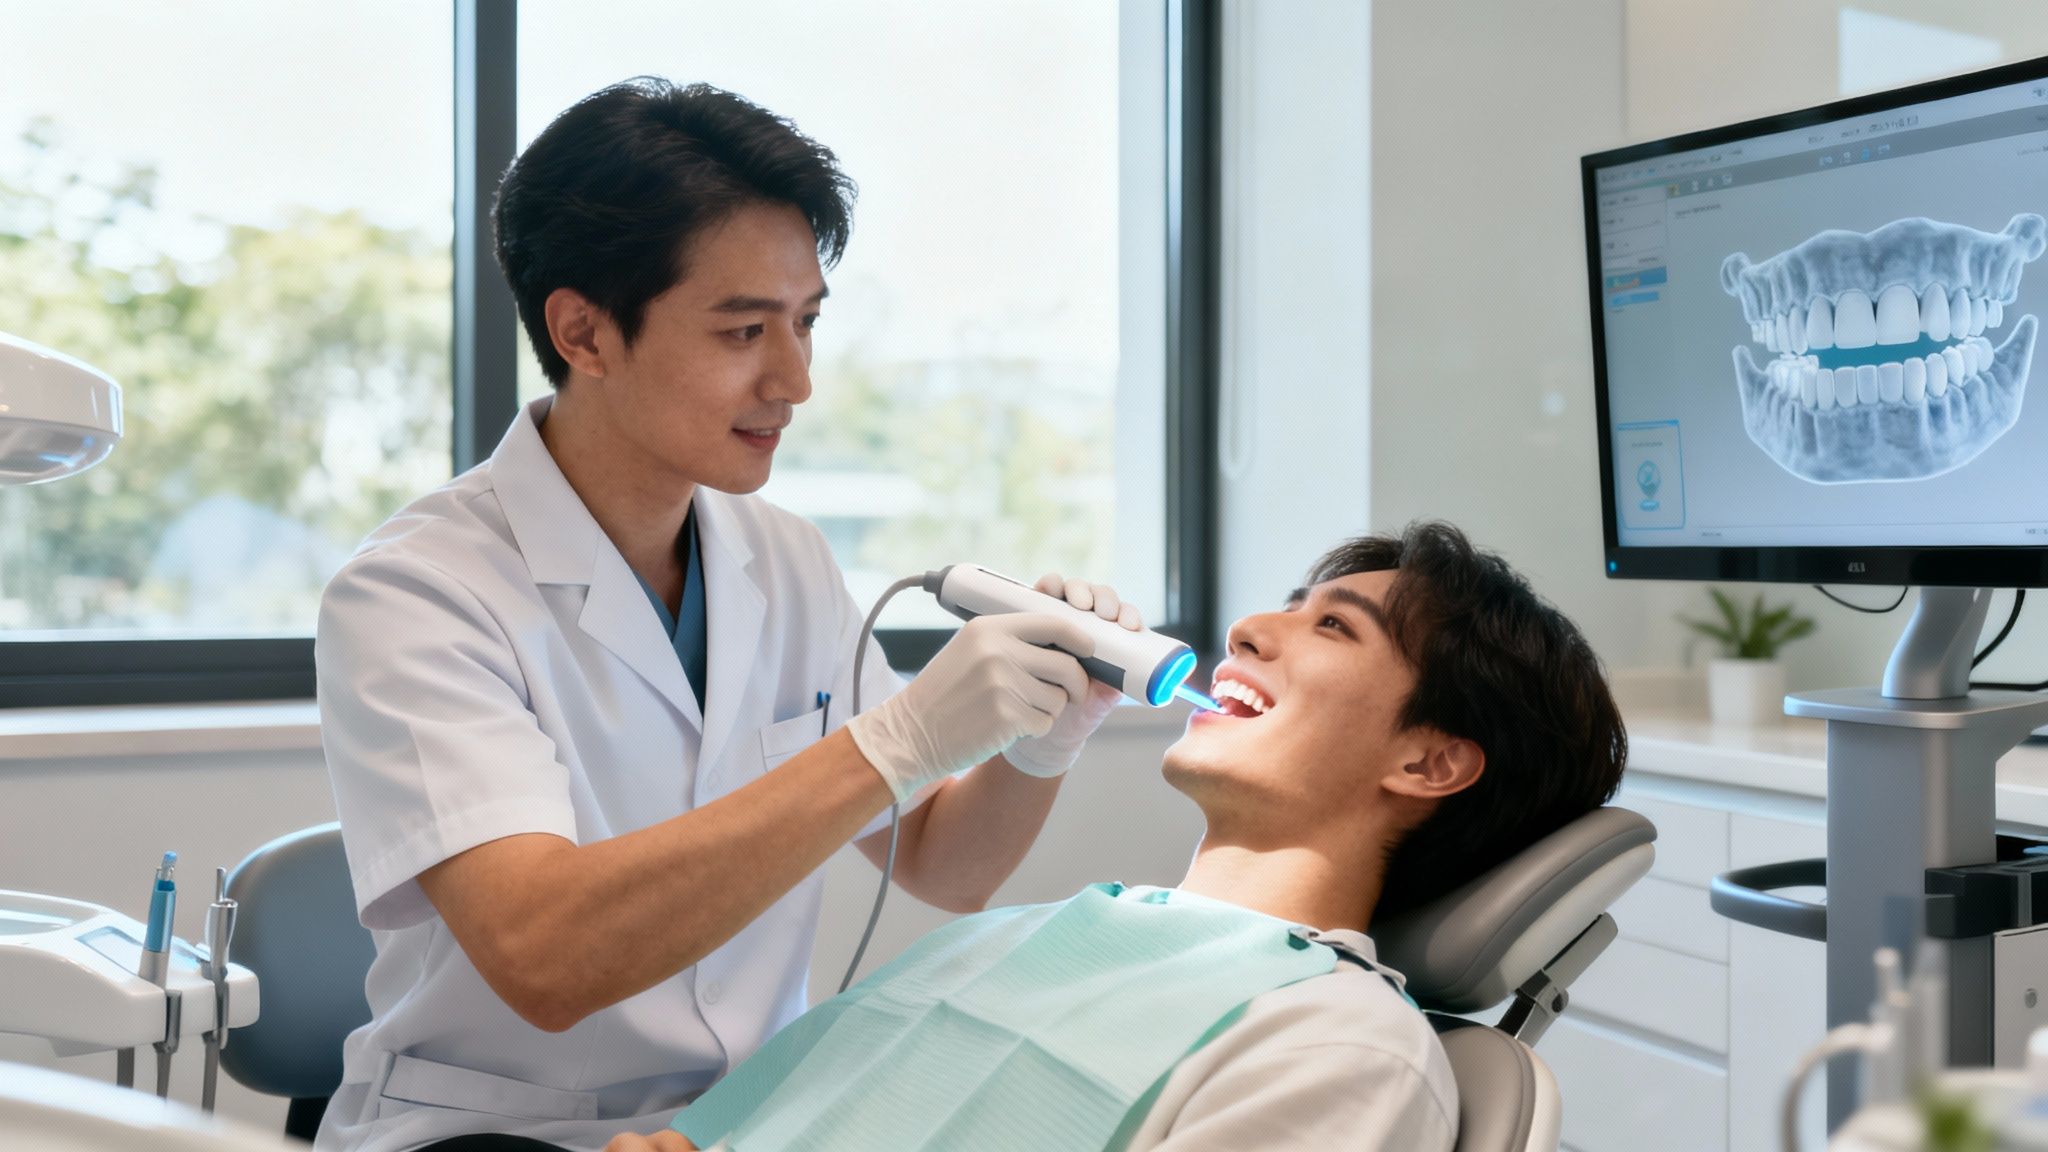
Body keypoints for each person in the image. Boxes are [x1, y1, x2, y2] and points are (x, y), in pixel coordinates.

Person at [315, 78, 1139, 1152]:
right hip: (498, 1133)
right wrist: (889, 744)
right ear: (585, 332)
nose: (793, 381)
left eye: (803, 324)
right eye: (744, 330)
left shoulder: (782, 557)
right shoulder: (417, 593)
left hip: (745, 1127)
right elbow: (547, 957)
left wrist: (1040, 739)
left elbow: (944, 864)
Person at [601, 521, 1630, 1152]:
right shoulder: (1025, 936)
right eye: (1284, 606)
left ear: (1427, 763)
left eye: (1332, 627)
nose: (1245, 633)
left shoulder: (1340, 1048)